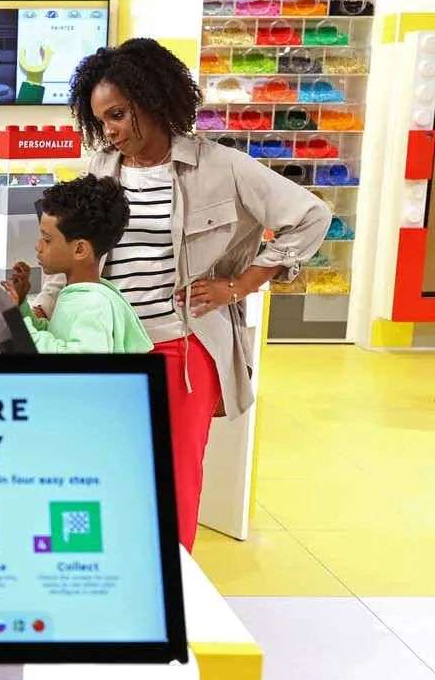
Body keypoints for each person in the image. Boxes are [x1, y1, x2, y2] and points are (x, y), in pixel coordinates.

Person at [36, 38, 332, 551]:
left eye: (118, 115)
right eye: (101, 119)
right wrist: (43, 305)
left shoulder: (221, 167)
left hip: (180, 350)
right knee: (105, 473)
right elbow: (75, 249)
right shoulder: (102, 167)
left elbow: (311, 216)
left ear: (153, 99)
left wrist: (240, 285)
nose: (110, 130)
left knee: (171, 484)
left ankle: (171, 589)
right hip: (107, 344)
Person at [1, 176, 152, 354]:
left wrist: (17, 323)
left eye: (47, 239)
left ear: (80, 250)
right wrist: (21, 308)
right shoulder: (79, 294)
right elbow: (56, 338)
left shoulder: (93, 305)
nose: (38, 246)